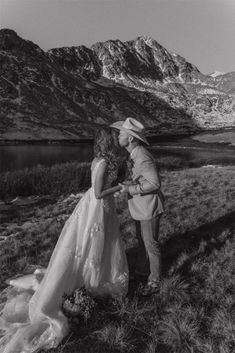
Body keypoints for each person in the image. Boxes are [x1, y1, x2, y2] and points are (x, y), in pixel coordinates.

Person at [0, 127, 128, 353]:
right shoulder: (103, 163)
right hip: (97, 207)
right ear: (108, 141)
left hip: (101, 207)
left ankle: (93, 278)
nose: (117, 138)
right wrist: (120, 187)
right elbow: (98, 193)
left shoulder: (100, 159)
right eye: (114, 136)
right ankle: (88, 281)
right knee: (91, 244)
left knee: (98, 244)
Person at [110, 118, 164, 296]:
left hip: (148, 208)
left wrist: (130, 189)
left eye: (121, 133)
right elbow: (141, 178)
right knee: (142, 242)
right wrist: (127, 184)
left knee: (151, 244)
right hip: (141, 206)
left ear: (131, 138)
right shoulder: (135, 154)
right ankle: (142, 270)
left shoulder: (141, 155)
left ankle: (155, 281)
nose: (118, 136)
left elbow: (155, 183)